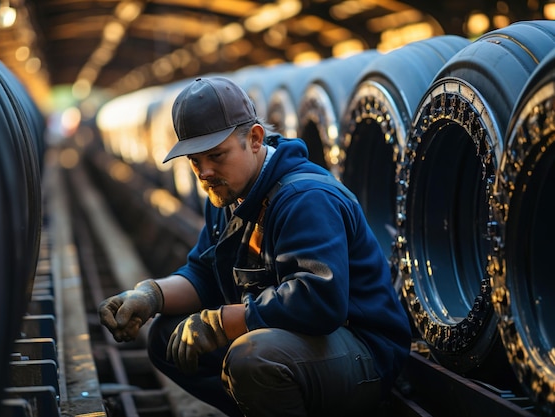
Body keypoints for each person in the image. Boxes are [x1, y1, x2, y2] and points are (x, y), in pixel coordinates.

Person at [98, 76, 412, 416]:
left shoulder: (305, 199)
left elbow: (317, 301)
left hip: (361, 352)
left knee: (253, 357)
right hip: (300, 344)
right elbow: (205, 273)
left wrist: (221, 323)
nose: (204, 172)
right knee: (167, 338)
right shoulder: (227, 194)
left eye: (216, 155)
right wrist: (150, 296)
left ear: (255, 138)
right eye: (194, 160)